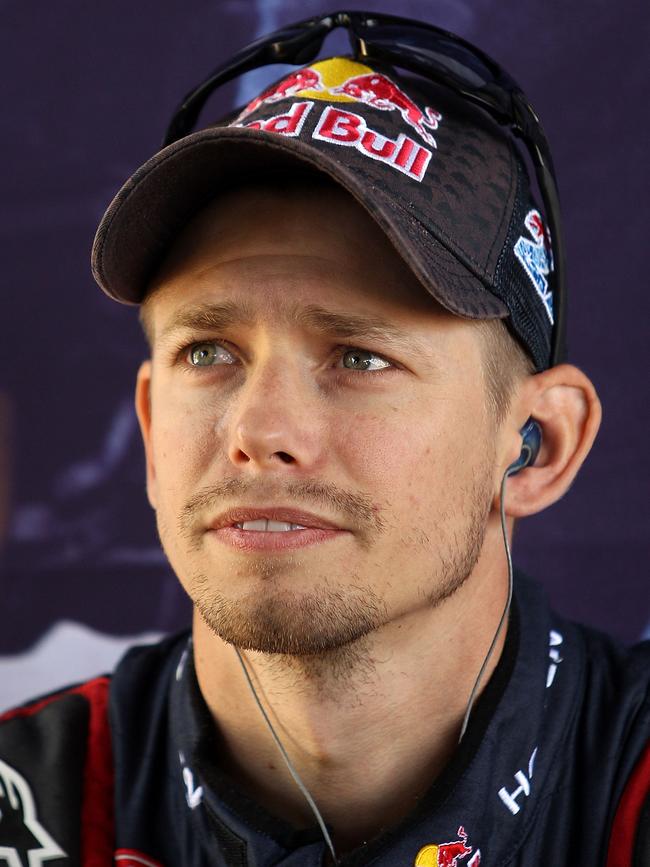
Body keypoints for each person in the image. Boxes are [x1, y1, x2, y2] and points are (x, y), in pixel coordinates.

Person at [0, 12, 647, 867]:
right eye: (208, 351)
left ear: (538, 442)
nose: (259, 431)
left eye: (359, 355)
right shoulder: (29, 802)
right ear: (153, 429)